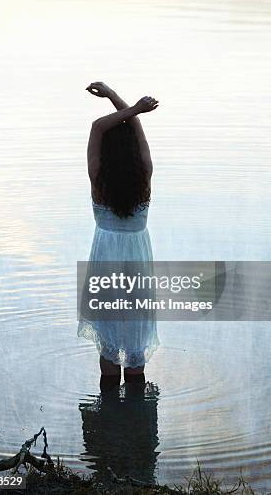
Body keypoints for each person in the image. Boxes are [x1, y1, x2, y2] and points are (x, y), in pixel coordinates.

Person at [77, 82, 160, 391]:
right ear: (136, 152)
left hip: (106, 257)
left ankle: (108, 422)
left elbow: (98, 127)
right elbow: (134, 127)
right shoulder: (145, 175)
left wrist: (126, 104)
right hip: (137, 257)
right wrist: (128, 105)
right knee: (136, 344)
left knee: (108, 343)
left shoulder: (98, 177)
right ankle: (137, 429)